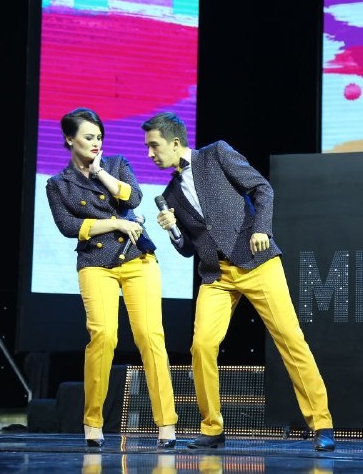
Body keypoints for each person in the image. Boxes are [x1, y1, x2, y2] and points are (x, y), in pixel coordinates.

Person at [141, 112, 336, 452]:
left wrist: (262, 229)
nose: (150, 154)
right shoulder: (170, 194)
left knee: (290, 339)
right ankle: (212, 428)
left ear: (175, 142)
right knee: (202, 346)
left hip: (256, 262)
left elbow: (262, 188)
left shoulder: (216, 154)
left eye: (154, 146)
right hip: (216, 275)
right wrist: (173, 230)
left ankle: (321, 423)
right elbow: (187, 249)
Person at [46, 108, 178, 449]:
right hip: (95, 263)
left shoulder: (116, 164)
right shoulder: (58, 184)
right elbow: (68, 226)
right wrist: (117, 223)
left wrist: (101, 173)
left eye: (99, 137)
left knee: (150, 336)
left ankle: (166, 423)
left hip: (137, 259)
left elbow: (133, 197)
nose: (95, 143)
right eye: (88, 137)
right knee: (103, 336)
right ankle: (93, 421)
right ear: (70, 139)